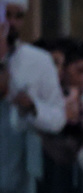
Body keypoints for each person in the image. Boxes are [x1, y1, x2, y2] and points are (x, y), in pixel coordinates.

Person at [1, 1, 66, 135]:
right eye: (7, 15)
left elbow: (58, 118)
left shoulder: (39, 60)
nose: (12, 23)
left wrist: (33, 107)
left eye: (18, 16)